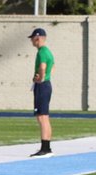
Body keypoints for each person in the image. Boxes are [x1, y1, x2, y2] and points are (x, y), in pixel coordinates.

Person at [29, 27, 54, 157]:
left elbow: (43, 66)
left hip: (42, 86)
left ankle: (45, 148)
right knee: (45, 117)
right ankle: (47, 147)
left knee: (41, 117)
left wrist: (40, 77)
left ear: (37, 38)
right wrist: (47, 77)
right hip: (47, 85)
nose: (31, 41)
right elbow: (53, 66)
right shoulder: (48, 51)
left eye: (32, 38)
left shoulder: (41, 52)